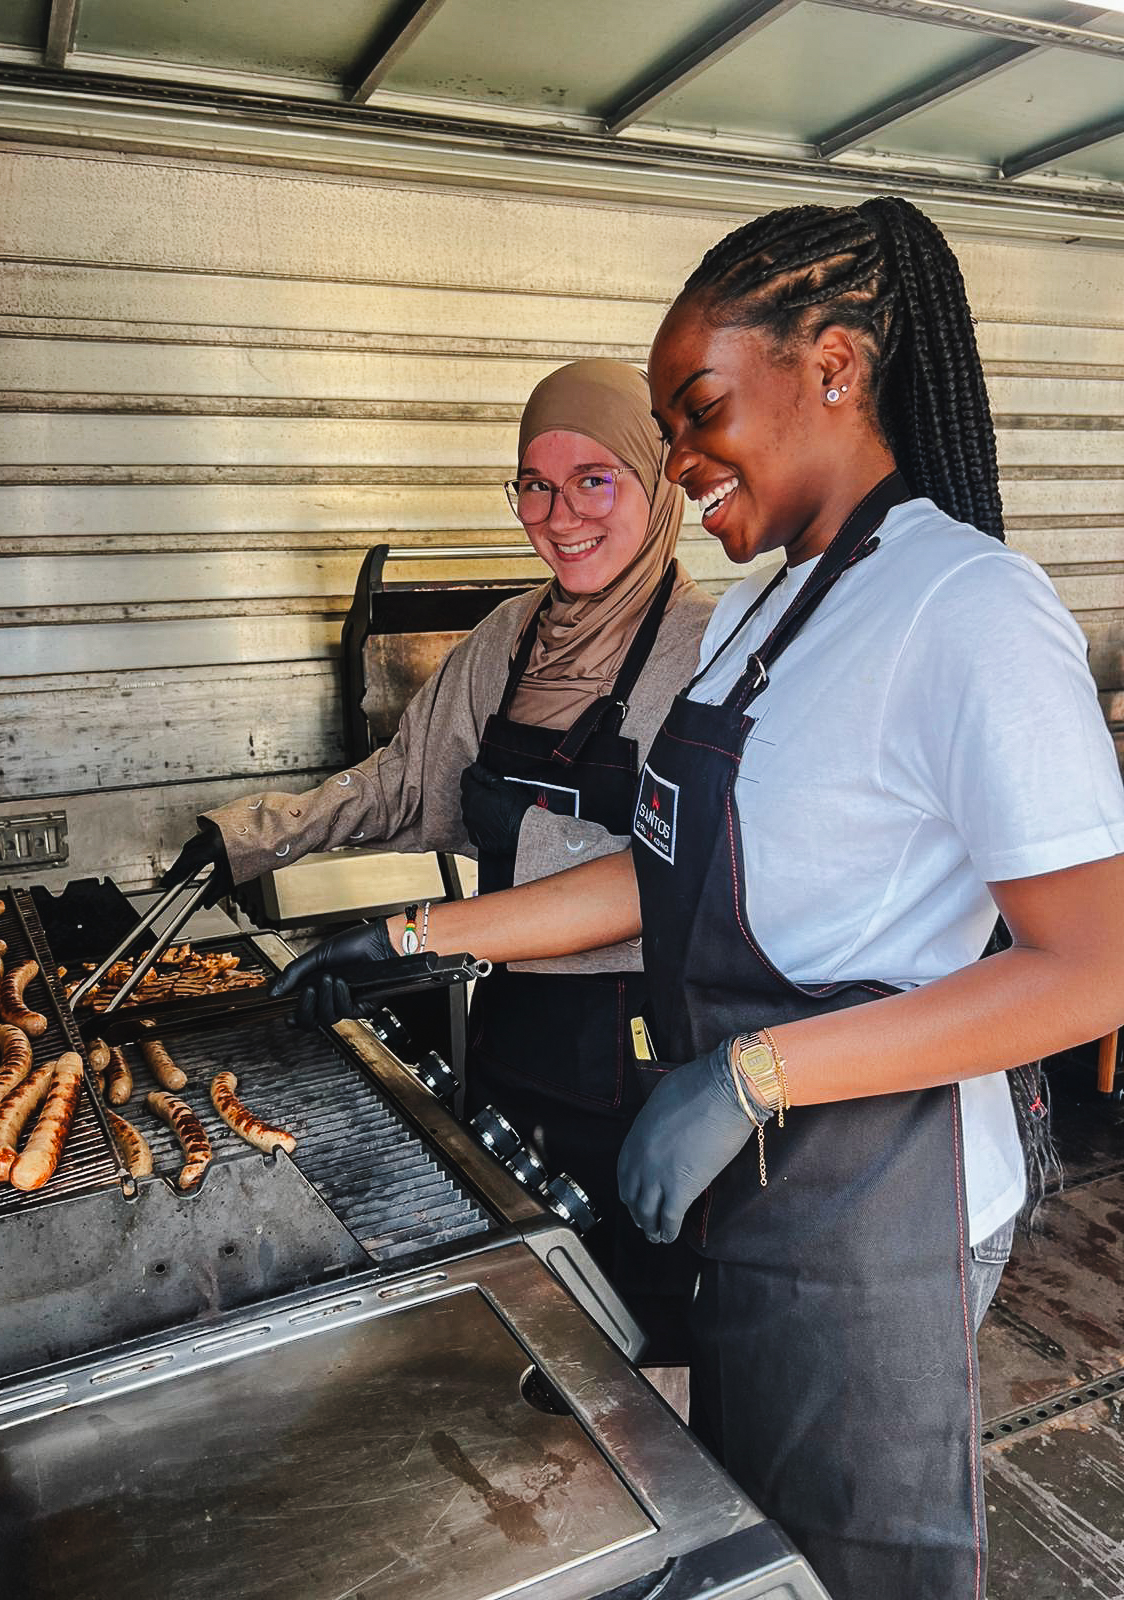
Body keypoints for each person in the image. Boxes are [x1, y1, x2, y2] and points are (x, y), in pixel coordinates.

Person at [273, 199, 1124, 1599]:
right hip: (753, 1190)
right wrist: (419, 938)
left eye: (699, 409)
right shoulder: (761, 614)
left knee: (855, 1564)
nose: (679, 461)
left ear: (835, 367)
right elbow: (662, 881)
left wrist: (751, 1073)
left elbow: (1090, 967)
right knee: (746, 1543)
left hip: (879, 1215)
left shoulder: (968, 607)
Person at [166, 358, 715, 1353]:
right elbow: (405, 778)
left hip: (641, 1051)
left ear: (660, 477)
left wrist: (413, 935)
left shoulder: (707, 654)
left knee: (634, 1320)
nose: (558, 514)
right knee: (519, 1290)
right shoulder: (512, 635)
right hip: (513, 1025)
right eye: (534, 485)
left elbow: (666, 881)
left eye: (594, 479)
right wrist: (250, 835)